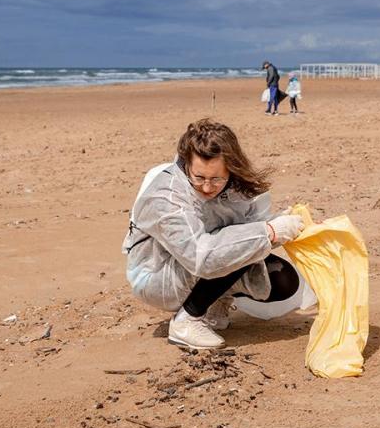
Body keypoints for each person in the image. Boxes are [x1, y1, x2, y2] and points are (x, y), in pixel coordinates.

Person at [123, 118, 306, 350]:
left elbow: (245, 227)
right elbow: (201, 256)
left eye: (217, 179)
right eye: (199, 178)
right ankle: (186, 321)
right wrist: (267, 233)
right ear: (186, 163)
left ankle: (216, 300)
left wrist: (279, 225)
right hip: (157, 273)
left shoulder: (235, 186)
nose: (208, 188)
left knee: (282, 280)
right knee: (236, 246)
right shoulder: (166, 197)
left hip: (202, 259)